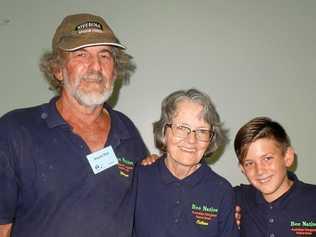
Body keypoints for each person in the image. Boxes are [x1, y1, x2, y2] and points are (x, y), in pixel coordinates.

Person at [0, 13, 148, 237]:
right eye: (81, 54)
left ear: (115, 70)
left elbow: (146, 206)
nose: (95, 67)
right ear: (58, 69)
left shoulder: (126, 131)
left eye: (105, 56)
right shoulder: (15, 130)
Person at [134, 89, 240, 237]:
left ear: (210, 140)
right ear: (164, 131)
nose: (191, 140)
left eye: (202, 131)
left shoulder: (221, 191)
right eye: (182, 128)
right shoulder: (137, 179)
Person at [234, 117, 316, 237]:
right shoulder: (236, 198)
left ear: (288, 157)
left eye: (267, 158)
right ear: (242, 169)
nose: (260, 170)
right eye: (250, 163)